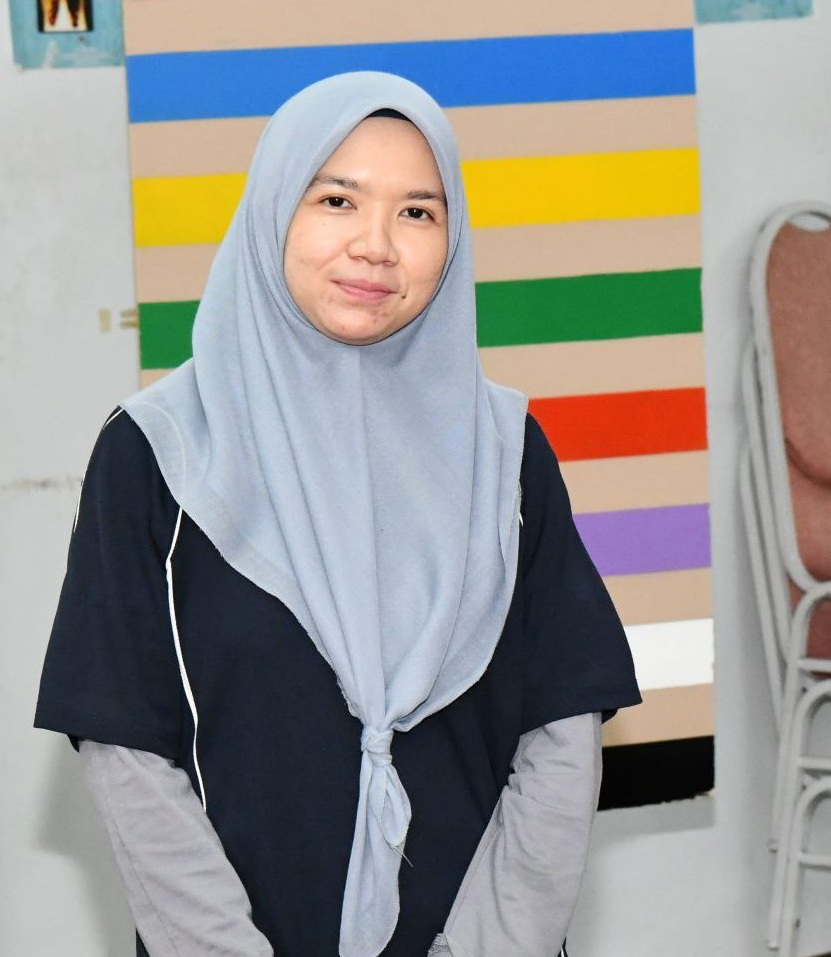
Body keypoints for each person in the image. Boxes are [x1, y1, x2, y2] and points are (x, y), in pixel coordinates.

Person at [34, 71, 641, 957]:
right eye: (337, 200)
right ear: (274, 210)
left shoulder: (506, 452)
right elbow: (126, 749)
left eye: (418, 212)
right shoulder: (158, 453)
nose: (376, 245)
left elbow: (562, 731)